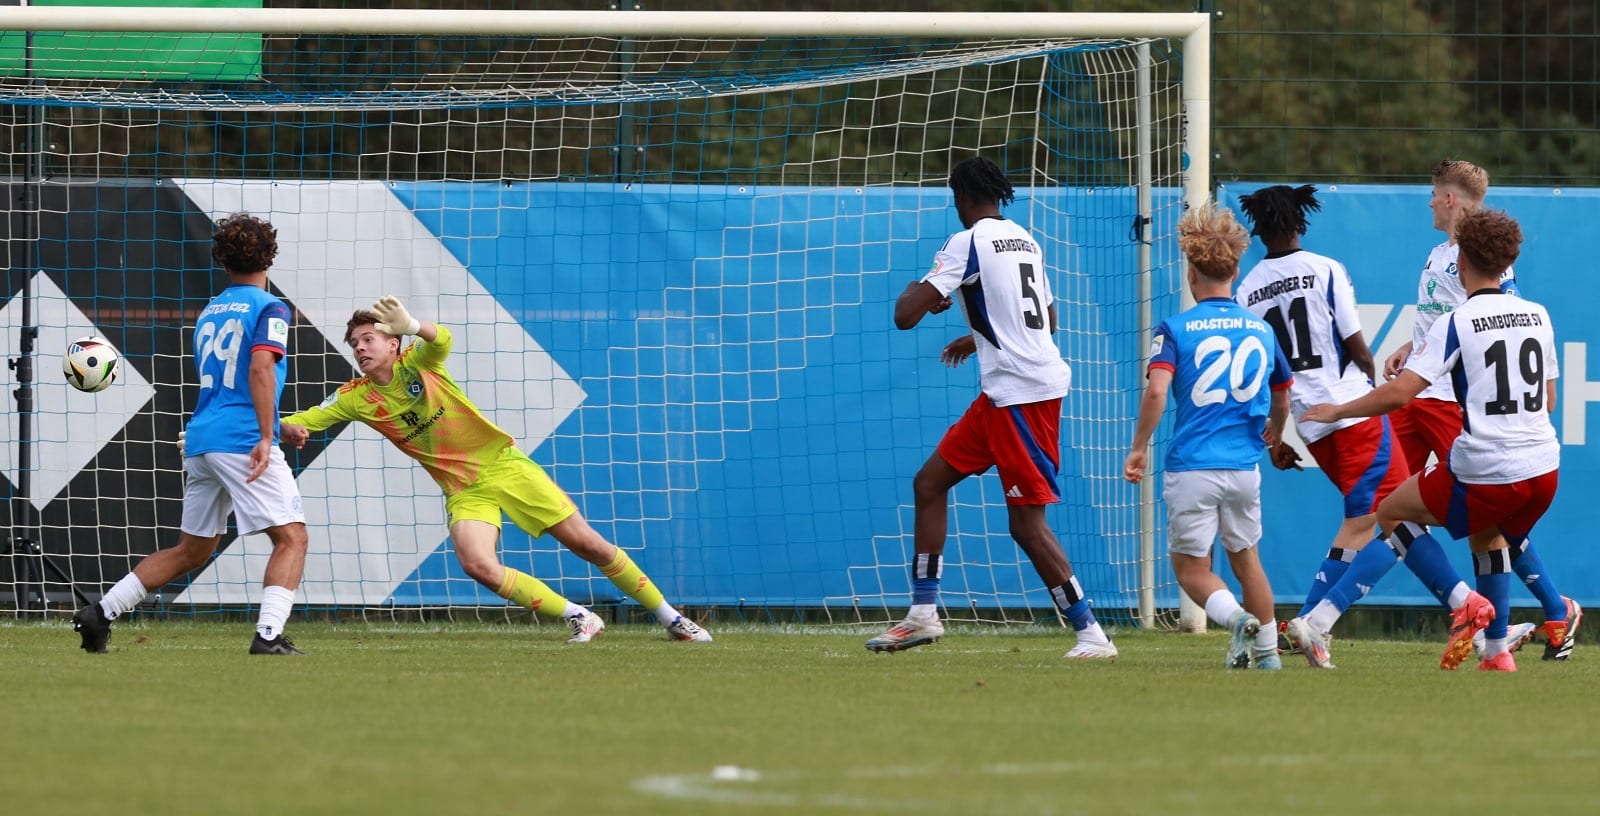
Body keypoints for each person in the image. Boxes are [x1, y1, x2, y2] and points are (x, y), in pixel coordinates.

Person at [277, 297, 712, 644]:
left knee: (590, 545)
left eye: (368, 338)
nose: (359, 348)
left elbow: (441, 339)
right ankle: (580, 617)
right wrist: (275, 423)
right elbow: (305, 419)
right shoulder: (355, 397)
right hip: (465, 492)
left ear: (393, 343)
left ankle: (672, 618)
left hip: (505, 467)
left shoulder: (419, 363)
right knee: (478, 564)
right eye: (354, 343)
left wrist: (414, 325)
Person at [1233, 185, 1517, 657]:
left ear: (1258, 229)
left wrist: (1277, 436)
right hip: (1350, 412)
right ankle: (1460, 601)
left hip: (1310, 423)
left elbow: (1265, 369)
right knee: (1392, 519)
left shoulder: (1247, 289)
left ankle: (1307, 623)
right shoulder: (1325, 269)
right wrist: (1371, 386)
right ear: (1300, 222)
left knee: (1368, 521)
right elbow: (1356, 343)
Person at [863, 156, 1115, 658]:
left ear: (960, 198)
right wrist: (979, 337)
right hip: (1004, 392)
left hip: (1023, 400)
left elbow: (903, 316)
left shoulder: (966, 241)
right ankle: (922, 615)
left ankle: (1092, 634)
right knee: (929, 483)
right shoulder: (1026, 239)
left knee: (1026, 524)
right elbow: (1047, 319)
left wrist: (927, 292)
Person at [1293, 208, 1560, 672]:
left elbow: (1399, 393)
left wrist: (1338, 409)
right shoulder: (1537, 315)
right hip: (1544, 471)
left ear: (1461, 257)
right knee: (1487, 532)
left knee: (1394, 511)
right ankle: (1496, 652)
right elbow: (1550, 401)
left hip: (1488, 467)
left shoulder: (1458, 320)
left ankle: (1325, 618)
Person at [73, 213, 311, 655]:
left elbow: (229, 384)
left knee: (192, 550)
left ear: (223, 262)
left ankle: (100, 613)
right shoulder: (271, 308)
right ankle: (269, 637)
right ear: (271, 256)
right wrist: (265, 436)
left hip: (203, 439)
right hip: (241, 440)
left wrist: (279, 426)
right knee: (292, 537)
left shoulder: (211, 311)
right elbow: (258, 369)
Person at [1381, 159, 1579, 660]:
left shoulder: (1486, 264)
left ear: (1450, 199)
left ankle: (1523, 613)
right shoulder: (1440, 254)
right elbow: (1446, 322)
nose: (1428, 201)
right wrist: (1413, 343)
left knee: (1481, 519)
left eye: (1433, 193)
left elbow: (1492, 322)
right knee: (1412, 510)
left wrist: (1335, 409)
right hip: (1428, 392)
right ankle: (1511, 637)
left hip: (1460, 403)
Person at [1124, 202, 1290, 670]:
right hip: (1243, 467)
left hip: (1193, 466)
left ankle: (1237, 619)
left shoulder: (1175, 329)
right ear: (1236, 270)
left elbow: (1157, 392)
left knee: (1191, 570)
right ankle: (1269, 658)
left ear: (1192, 274)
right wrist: (1273, 434)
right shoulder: (1261, 329)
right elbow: (1282, 397)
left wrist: (1138, 448)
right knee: (1247, 560)